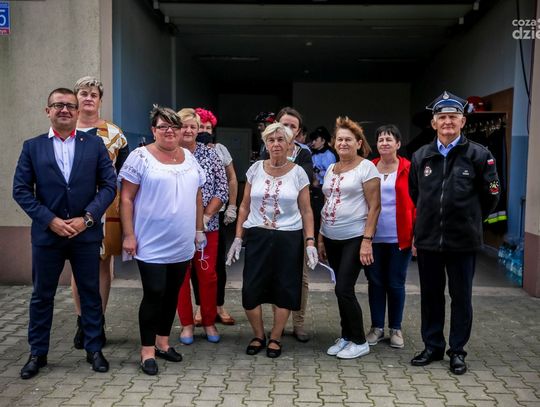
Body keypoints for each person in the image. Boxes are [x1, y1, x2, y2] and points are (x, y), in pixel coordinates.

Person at [13, 88, 116, 379]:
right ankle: (37, 353)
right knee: (41, 296)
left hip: (85, 235)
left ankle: (94, 349)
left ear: (77, 112)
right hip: (48, 237)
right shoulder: (32, 147)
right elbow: (21, 190)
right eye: (58, 105)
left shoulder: (94, 145)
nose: (65, 110)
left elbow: (109, 185)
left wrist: (88, 218)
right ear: (48, 111)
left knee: (90, 293)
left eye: (70, 105)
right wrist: (50, 220)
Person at [409, 91, 500, 375]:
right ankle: (432, 346)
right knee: (431, 296)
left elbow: (491, 196)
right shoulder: (421, 156)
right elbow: (416, 194)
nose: (447, 121)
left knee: (461, 298)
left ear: (462, 121)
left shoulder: (479, 155)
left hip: (463, 241)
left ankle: (457, 351)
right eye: (442, 117)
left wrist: (471, 219)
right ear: (434, 123)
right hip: (429, 241)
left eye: (453, 117)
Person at [119, 105, 205, 375]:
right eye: (163, 126)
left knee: (171, 294)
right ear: (153, 130)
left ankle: (163, 342)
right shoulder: (140, 157)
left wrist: (199, 230)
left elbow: (198, 195)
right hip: (150, 241)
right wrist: (129, 234)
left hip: (181, 242)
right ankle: (146, 350)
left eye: (174, 126)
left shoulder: (189, 158)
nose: (169, 131)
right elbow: (126, 198)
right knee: (154, 292)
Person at [226, 122, 318, 358]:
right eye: (271, 140)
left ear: (289, 144)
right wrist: (238, 237)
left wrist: (310, 242)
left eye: (281, 140)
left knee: (284, 289)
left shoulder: (298, 173)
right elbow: (245, 206)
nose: (276, 144)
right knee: (251, 290)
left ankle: (275, 337)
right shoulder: (255, 169)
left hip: (288, 239)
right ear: (266, 144)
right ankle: (258, 335)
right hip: (258, 236)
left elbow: (306, 210)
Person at [71, 76, 129, 349]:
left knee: (102, 263)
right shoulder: (65, 129)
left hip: (107, 206)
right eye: (84, 93)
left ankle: (98, 320)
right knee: (78, 264)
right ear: (76, 98)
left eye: (93, 94)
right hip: (73, 206)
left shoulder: (115, 134)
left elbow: (125, 175)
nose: (88, 98)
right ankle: (82, 321)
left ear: (100, 100)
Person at [317, 116, 381, 359]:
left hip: (355, 236)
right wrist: (321, 237)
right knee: (339, 289)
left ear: (358, 143)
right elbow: (327, 202)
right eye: (340, 139)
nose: (343, 143)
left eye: (348, 140)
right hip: (330, 236)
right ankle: (346, 336)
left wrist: (367, 240)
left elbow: (375, 206)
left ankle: (359, 341)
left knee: (345, 288)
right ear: (334, 143)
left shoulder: (367, 167)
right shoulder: (331, 168)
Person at [176, 108, 228, 345]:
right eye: (184, 125)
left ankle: (208, 321)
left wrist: (205, 217)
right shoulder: (171, 153)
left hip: (209, 227)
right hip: (177, 228)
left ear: (198, 130)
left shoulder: (210, 154)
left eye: (193, 126)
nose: (188, 130)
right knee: (180, 276)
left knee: (207, 275)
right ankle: (187, 324)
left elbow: (222, 189)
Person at [364, 124, 415, 349]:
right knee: (375, 282)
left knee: (395, 283)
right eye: (381, 139)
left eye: (389, 139)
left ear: (398, 144)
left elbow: (418, 203)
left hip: (399, 237)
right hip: (372, 238)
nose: (384, 143)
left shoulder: (409, 168)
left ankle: (395, 328)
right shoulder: (369, 168)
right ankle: (376, 328)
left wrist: (417, 235)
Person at [191, 107, 238, 326]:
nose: (204, 131)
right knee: (195, 265)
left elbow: (231, 178)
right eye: (200, 126)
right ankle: (200, 306)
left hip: (216, 216)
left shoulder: (220, 150)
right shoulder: (186, 150)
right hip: (191, 217)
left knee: (217, 264)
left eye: (207, 127)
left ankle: (219, 305)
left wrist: (232, 206)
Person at [274, 107, 313, 342]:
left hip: (297, 222)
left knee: (301, 277)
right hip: (273, 224)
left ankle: (299, 323)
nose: (288, 129)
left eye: (292, 126)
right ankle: (277, 326)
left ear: (298, 131)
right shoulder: (268, 149)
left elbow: (302, 183)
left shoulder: (304, 154)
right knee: (276, 275)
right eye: (284, 124)